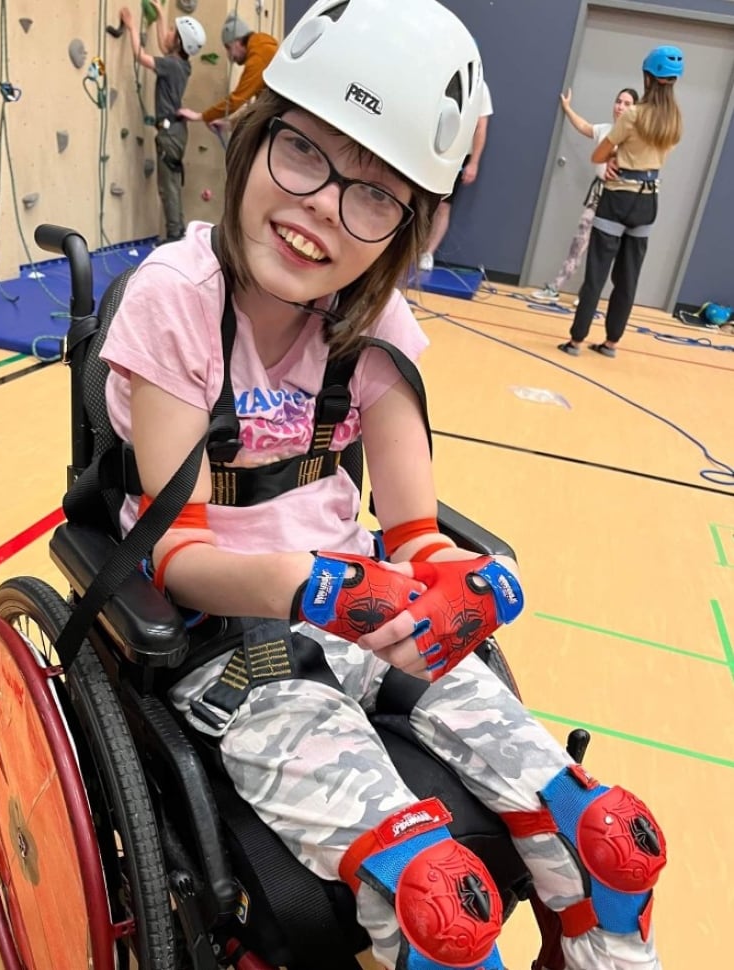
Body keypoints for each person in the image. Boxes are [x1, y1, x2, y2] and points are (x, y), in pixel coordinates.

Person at [101, 2, 667, 968]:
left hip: (369, 610)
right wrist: (312, 587)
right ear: (254, 140)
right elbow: (180, 554)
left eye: (373, 194)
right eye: (305, 153)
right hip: (233, 642)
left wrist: (459, 579)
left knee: (609, 832)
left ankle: (601, 933)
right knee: (436, 901)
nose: (323, 204)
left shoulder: (377, 326)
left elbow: (411, 532)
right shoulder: (174, 302)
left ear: (409, 224)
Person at [559, 46, 684, 358]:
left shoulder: (633, 115)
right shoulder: (675, 121)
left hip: (618, 198)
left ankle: (576, 341)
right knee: (628, 278)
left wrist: (615, 158)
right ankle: (611, 343)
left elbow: (598, 154)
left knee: (597, 274)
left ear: (647, 77)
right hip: (648, 203)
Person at [531, 86, 639, 303]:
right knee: (579, 243)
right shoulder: (605, 130)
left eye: (627, 104)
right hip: (597, 197)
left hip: (619, 200)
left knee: (605, 252)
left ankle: (588, 296)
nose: (620, 107)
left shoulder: (635, 138)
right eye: (619, 101)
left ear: (635, 109)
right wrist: (567, 107)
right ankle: (556, 287)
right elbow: (584, 126)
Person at [120, 2, 206, 242]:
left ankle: (175, 235)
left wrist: (131, 27)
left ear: (178, 42)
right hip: (176, 131)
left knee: (167, 186)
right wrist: (159, 14)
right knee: (172, 183)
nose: (166, 33)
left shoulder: (170, 65)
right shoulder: (182, 65)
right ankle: (177, 231)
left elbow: (140, 56)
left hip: (169, 134)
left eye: (171, 31)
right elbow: (163, 45)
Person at [417, 81, 492, 271]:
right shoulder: (441, 76)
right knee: (419, 201)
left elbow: (481, 127)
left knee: (442, 206)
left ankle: (428, 253)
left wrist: (474, 162)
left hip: (457, 156)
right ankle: (406, 249)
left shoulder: (479, 88)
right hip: (430, 149)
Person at [177, 11, 278, 133]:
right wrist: (229, 124)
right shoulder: (263, 47)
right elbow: (259, 109)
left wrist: (201, 116)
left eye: (228, 48)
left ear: (238, 41)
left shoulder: (259, 57)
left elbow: (236, 100)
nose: (229, 56)